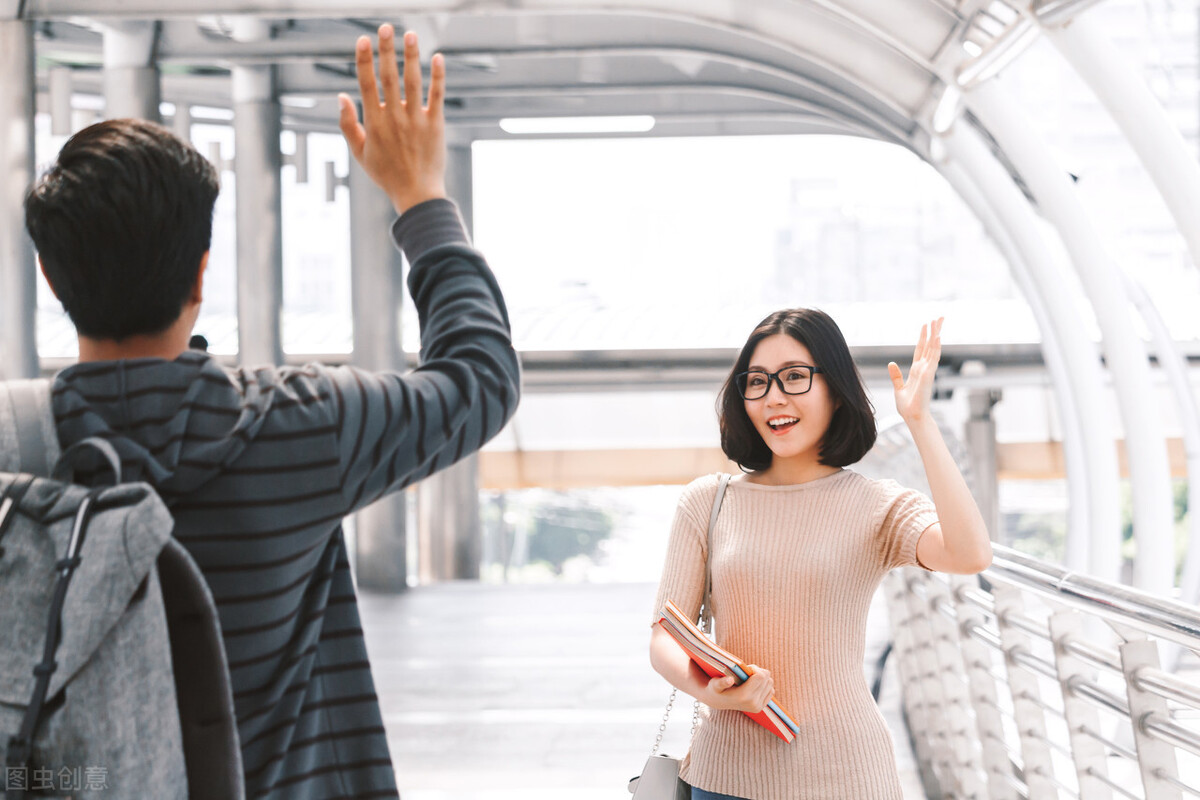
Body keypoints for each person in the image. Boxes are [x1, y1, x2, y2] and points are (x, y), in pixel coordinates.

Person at [22, 25, 519, 800]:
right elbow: (479, 381)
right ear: (201, 271)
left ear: (51, 277)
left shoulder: (14, 459)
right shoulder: (298, 423)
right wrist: (421, 197)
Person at [649, 309, 991, 800]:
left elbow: (970, 553)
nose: (774, 397)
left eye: (794, 377)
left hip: (847, 777)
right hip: (722, 777)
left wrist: (919, 421)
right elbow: (665, 634)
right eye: (758, 382)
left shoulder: (877, 505)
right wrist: (711, 692)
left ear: (835, 390)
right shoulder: (708, 500)